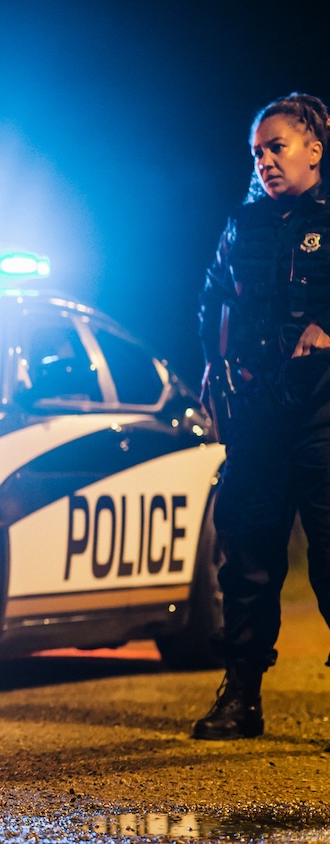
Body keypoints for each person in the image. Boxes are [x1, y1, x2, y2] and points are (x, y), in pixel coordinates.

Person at [194, 91, 329, 746]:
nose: (267, 161)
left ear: (314, 149)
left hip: (323, 418)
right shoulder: (242, 226)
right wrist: (215, 375)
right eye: (258, 152)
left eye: (278, 146)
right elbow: (213, 301)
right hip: (255, 418)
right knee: (244, 555)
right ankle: (241, 696)